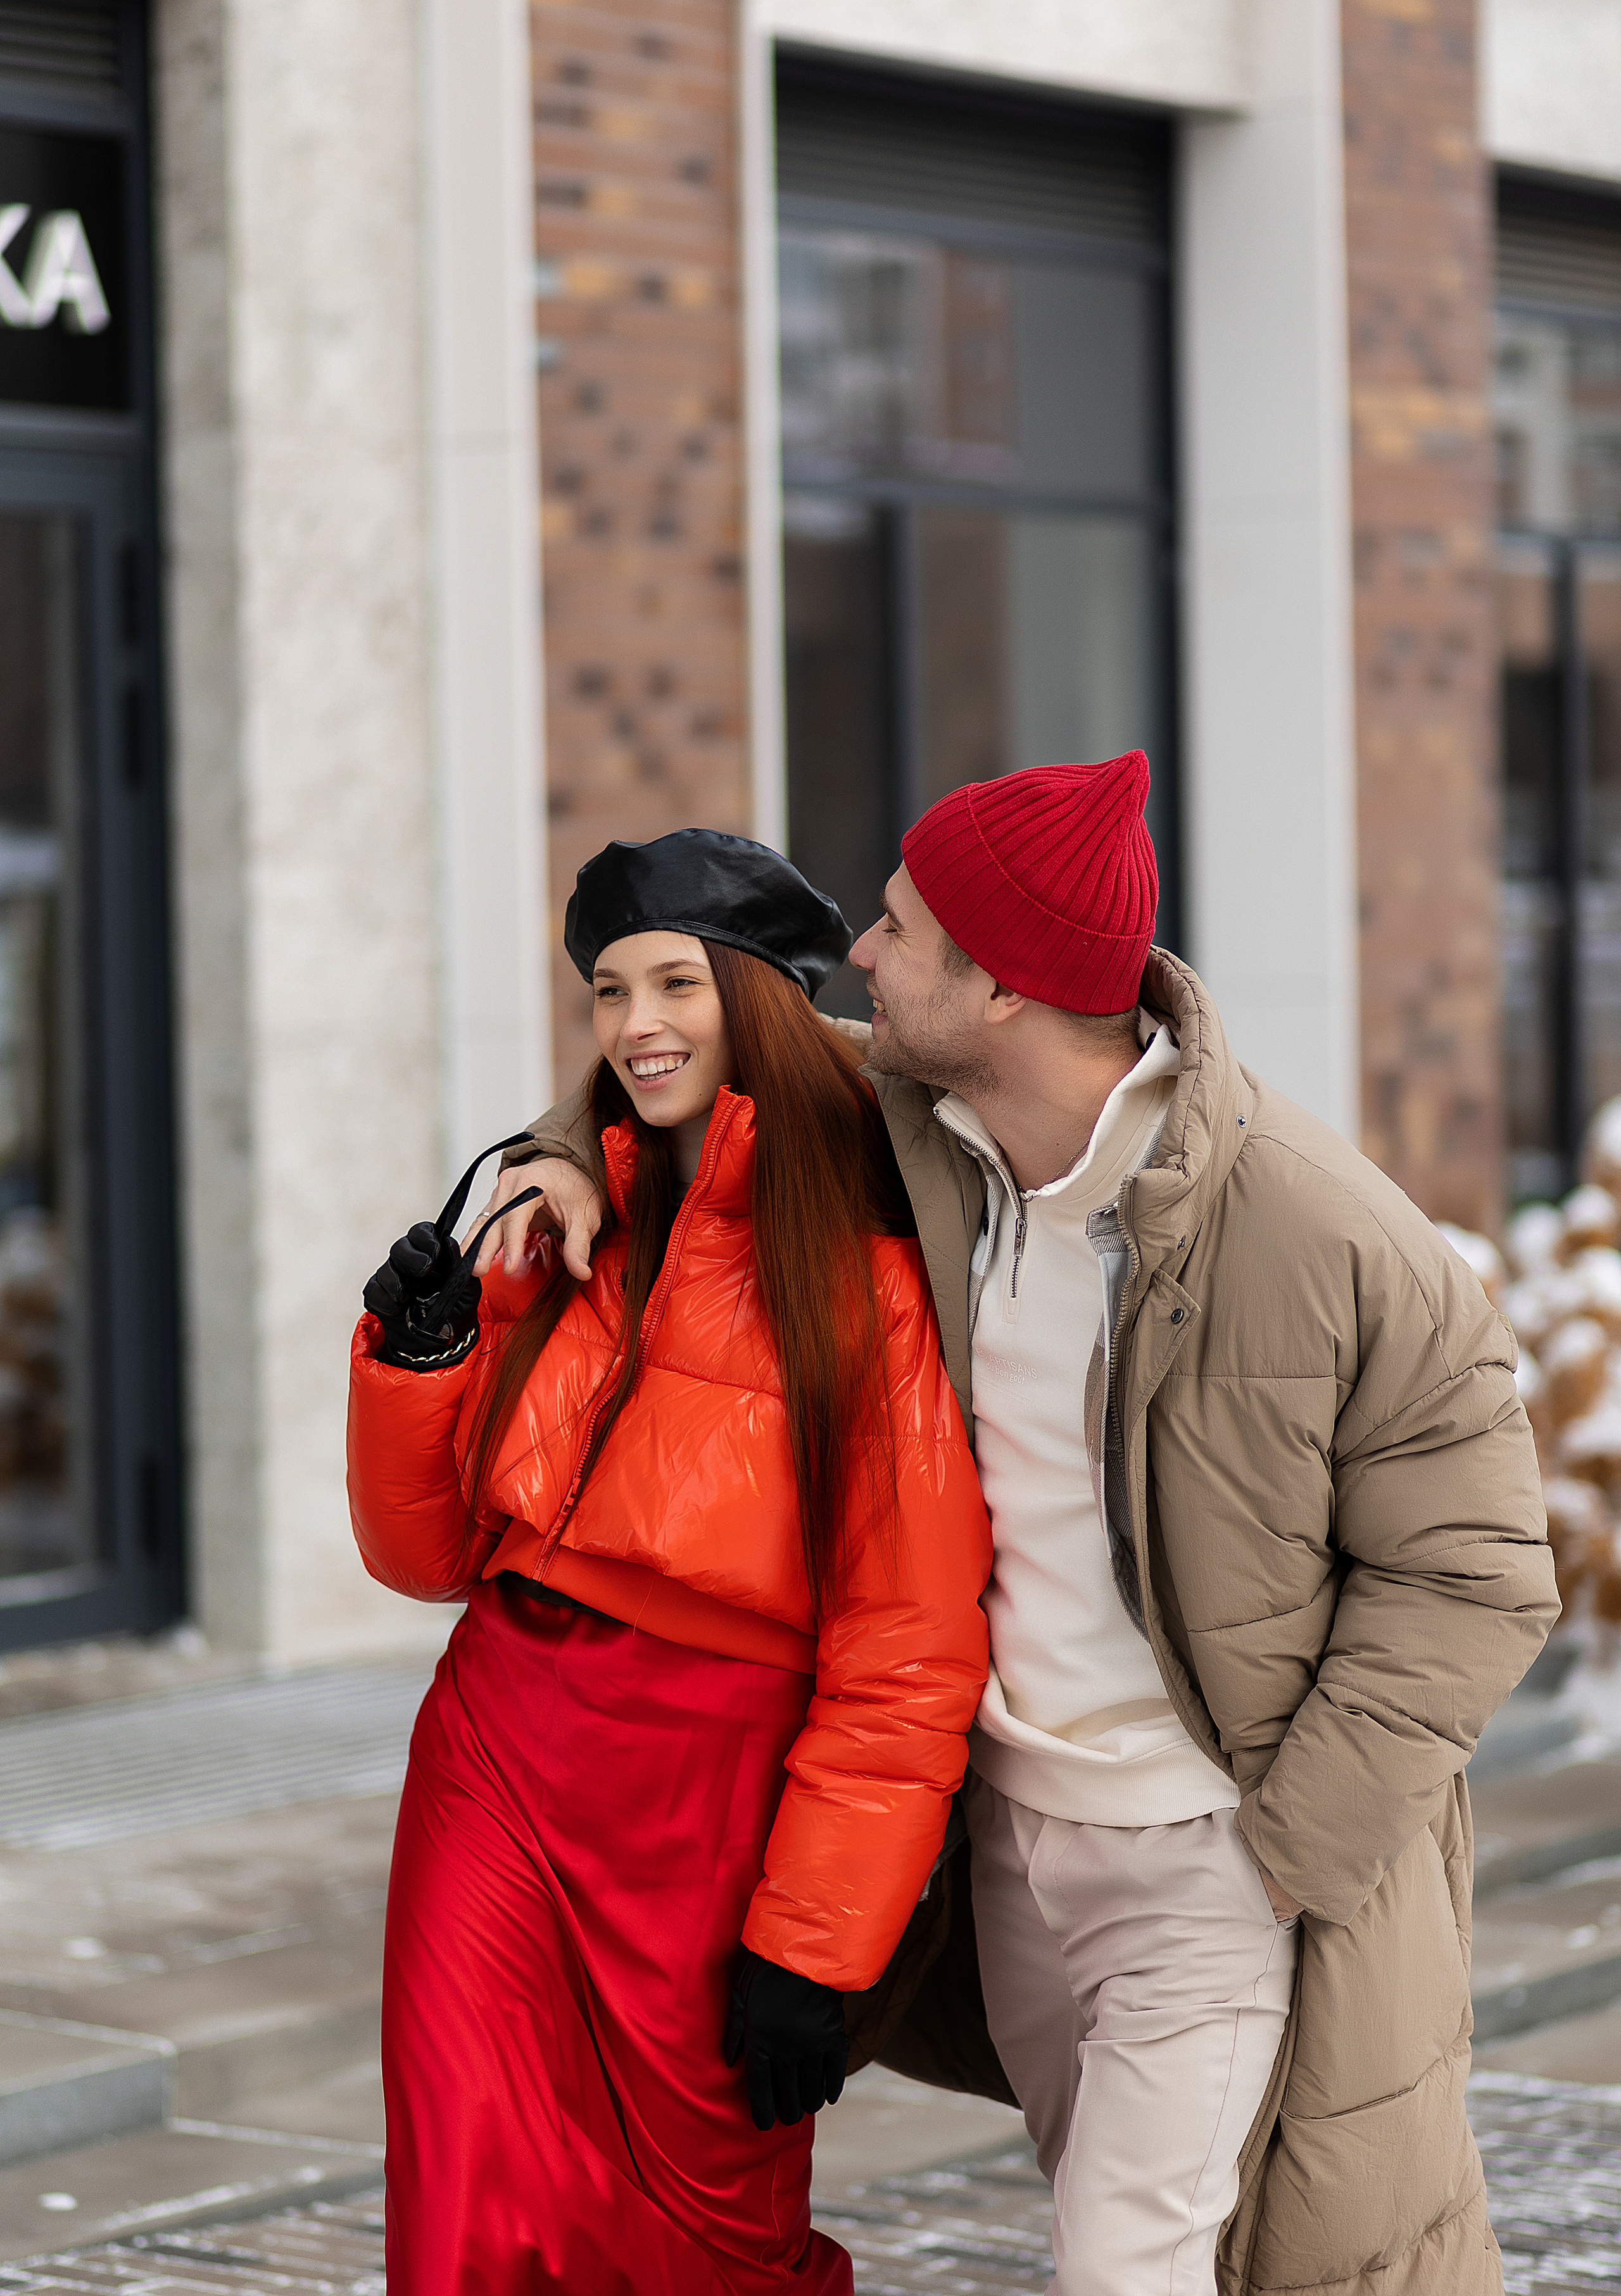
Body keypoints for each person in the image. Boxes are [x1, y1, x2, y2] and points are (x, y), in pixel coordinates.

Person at [490, 753, 1558, 2296]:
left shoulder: (1319, 1229)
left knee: (1129, 2266)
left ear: (994, 986)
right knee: (1140, 2238)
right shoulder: (922, 1127)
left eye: (897, 930)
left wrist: (1281, 1852)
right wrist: (553, 1161)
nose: (857, 956)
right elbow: (701, 1064)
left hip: (1207, 1857)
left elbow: (1472, 1574)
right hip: (1009, 1850)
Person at [347, 829, 992, 2295]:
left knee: (711, 2237)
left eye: (676, 986)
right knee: (463, 2186)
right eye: (607, 991)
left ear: (757, 997)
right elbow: (425, 1554)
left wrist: (815, 1947)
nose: (635, 1026)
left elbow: (905, 1654)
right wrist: (424, 1356)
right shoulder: (562, 1221)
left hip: (712, 1809)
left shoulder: (874, 1272)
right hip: (498, 1755)